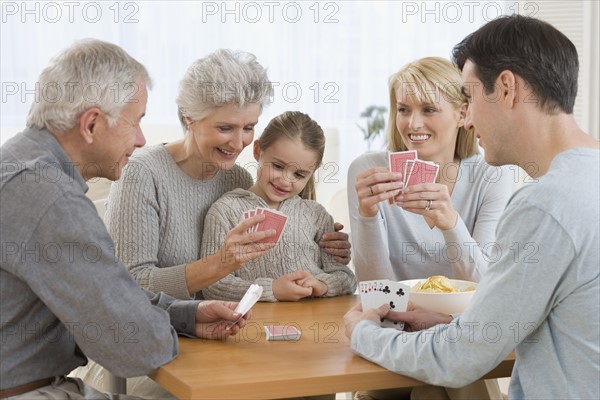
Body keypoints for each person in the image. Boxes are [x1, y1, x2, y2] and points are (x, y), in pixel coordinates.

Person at [344, 15, 599, 400]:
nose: (470, 115)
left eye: (470, 95)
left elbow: (461, 357)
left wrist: (362, 332)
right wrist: (455, 321)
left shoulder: (545, 206)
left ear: (508, 89)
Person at [0, 39, 253, 400]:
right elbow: (139, 348)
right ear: (91, 124)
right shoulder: (51, 199)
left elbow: (114, 293)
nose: (140, 139)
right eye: (135, 122)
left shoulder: (20, 163)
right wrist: (158, 327)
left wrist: (186, 316)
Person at [105, 49, 352, 302]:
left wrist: (320, 247)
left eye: (248, 128)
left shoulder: (238, 180)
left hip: (226, 323)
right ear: (189, 116)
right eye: (225, 128)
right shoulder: (141, 174)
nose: (237, 143)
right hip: (164, 327)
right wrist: (219, 264)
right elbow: (130, 282)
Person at [348, 57, 513, 284]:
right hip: (394, 315)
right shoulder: (368, 171)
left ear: (462, 114)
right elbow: (373, 288)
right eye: (404, 110)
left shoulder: (491, 176)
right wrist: (368, 216)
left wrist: (451, 222)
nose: (413, 124)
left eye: (429, 109)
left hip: (461, 318)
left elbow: (484, 282)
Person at [202, 111, 357, 302]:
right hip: (258, 323)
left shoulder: (316, 215)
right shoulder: (225, 211)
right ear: (258, 150)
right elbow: (212, 285)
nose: (285, 180)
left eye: (299, 175)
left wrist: (322, 285)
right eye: (277, 166)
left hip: (314, 319)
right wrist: (272, 289)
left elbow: (346, 278)